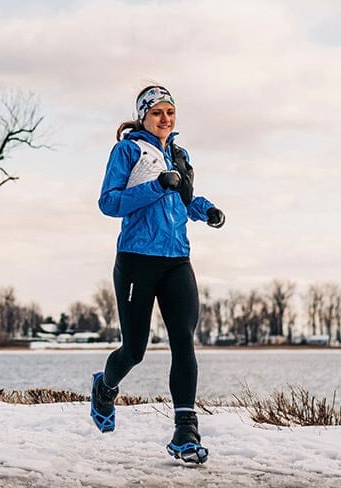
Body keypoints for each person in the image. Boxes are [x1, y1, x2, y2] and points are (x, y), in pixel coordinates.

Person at [90, 85, 225, 464]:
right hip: (137, 258)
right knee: (134, 350)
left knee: (184, 341)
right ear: (143, 116)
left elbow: (184, 199)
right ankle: (105, 387)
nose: (165, 118)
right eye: (157, 112)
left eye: (170, 111)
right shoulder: (127, 151)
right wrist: (155, 185)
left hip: (177, 259)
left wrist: (206, 210)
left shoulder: (179, 155)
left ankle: (186, 431)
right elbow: (109, 202)